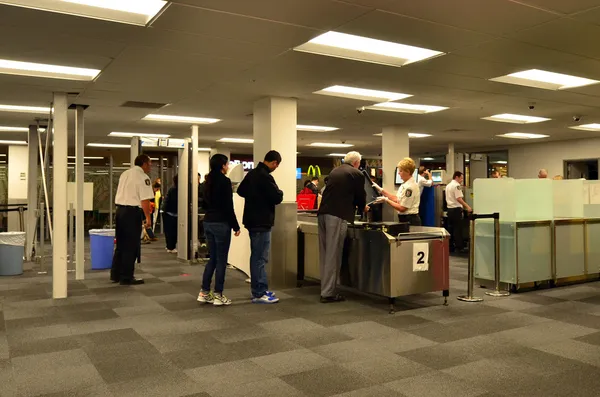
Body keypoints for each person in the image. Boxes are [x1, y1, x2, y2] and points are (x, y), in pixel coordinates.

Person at [318, 151, 367, 303]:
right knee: (334, 254)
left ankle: (325, 288)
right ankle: (328, 293)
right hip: (337, 215)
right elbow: (360, 195)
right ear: (357, 163)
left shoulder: (335, 171)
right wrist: (363, 207)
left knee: (325, 254)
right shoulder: (356, 173)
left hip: (323, 214)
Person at [237, 150, 284, 304]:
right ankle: (259, 292)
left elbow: (240, 190)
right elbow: (277, 197)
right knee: (260, 258)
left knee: (256, 256)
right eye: (276, 165)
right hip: (262, 221)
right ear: (274, 163)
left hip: (251, 220)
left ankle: (260, 289)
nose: (275, 168)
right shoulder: (266, 177)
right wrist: (279, 192)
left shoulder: (251, 174)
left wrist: (255, 196)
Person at [197, 154, 241, 306]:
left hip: (208, 221)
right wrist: (235, 226)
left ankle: (204, 292)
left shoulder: (206, 181)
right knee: (222, 260)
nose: (228, 167)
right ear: (222, 165)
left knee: (213, 258)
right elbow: (228, 206)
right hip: (221, 223)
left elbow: (205, 203)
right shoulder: (225, 181)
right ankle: (218, 294)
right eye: (227, 164)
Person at [110, 154, 154, 285]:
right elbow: (144, 199)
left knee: (121, 244)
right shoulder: (143, 177)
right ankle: (126, 277)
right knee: (131, 245)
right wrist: (147, 217)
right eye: (150, 164)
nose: (150, 167)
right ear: (144, 163)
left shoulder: (125, 173)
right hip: (131, 212)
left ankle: (116, 274)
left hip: (120, 211)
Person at [373, 158, 421, 226]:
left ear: (407, 171)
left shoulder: (410, 187)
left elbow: (402, 208)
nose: (398, 173)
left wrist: (386, 200)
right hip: (404, 219)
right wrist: (380, 190)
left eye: (400, 171)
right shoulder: (405, 184)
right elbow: (397, 199)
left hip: (410, 219)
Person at [445, 171, 472, 253]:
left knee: (451, 228)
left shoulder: (448, 185)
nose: (462, 180)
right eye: (461, 178)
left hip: (450, 209)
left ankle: (450, 246)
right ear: (456, 177)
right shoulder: (457, 186)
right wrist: (468, 207)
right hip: (456, 209)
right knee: (458, 228)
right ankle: (459, 247)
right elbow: (459, 198)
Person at [162, 175, 178, 253]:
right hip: (172, 213)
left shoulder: (171, 189)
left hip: (168, 213)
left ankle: (169, 246)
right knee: (173, 231)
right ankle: (171, 246)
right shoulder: (176, 190)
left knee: (169, 231)